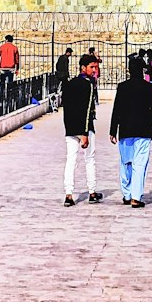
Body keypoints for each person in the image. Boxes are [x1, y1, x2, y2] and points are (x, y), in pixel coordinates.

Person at [109, 54, 152, 208]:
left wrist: (113, 130)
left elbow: (116, 109)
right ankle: (136, 197)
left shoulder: (122, 87)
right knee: (140, 164)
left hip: (125, 130)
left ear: (129, 70)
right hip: (144, 131)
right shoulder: (150, 88)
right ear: (143, 71)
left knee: (126, 162)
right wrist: (151, 125)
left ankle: (127, 193)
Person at [63, 54, 102, 206]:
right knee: (89, 159)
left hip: (71, 127)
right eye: (92, 67)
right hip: (84, 128)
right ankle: (92, 192)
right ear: (83, 67)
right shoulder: (88, 84)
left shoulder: (70, 83)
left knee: (70, 160)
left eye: (96, 67)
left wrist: (69, 128)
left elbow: (67, 109)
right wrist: (84, 133)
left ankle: (68, 193)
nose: (94, 70)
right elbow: (86, 110)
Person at [0, 34, 20, 99]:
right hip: (11, 67)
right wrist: (17, 69)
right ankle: (9, 95)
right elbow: (17, 60)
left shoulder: (2, 47)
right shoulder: (15, 48)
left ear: (6, 40)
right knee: (10, 81)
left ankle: (1, 94)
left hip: (3, 67)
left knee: (2, 81)